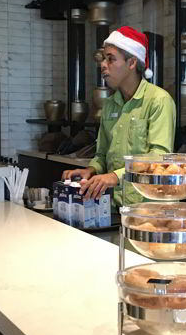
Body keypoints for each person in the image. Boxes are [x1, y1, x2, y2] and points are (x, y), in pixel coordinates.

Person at [62, 26, 176, 206]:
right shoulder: (109, 104)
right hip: (114, 206)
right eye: (103, 59)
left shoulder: (159, 100)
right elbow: (102, 154)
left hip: (149, 208)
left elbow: (159, 158)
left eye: (111, 59)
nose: (103, 65)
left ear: (131, 63)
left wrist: (115, 176)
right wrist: (91, 170)